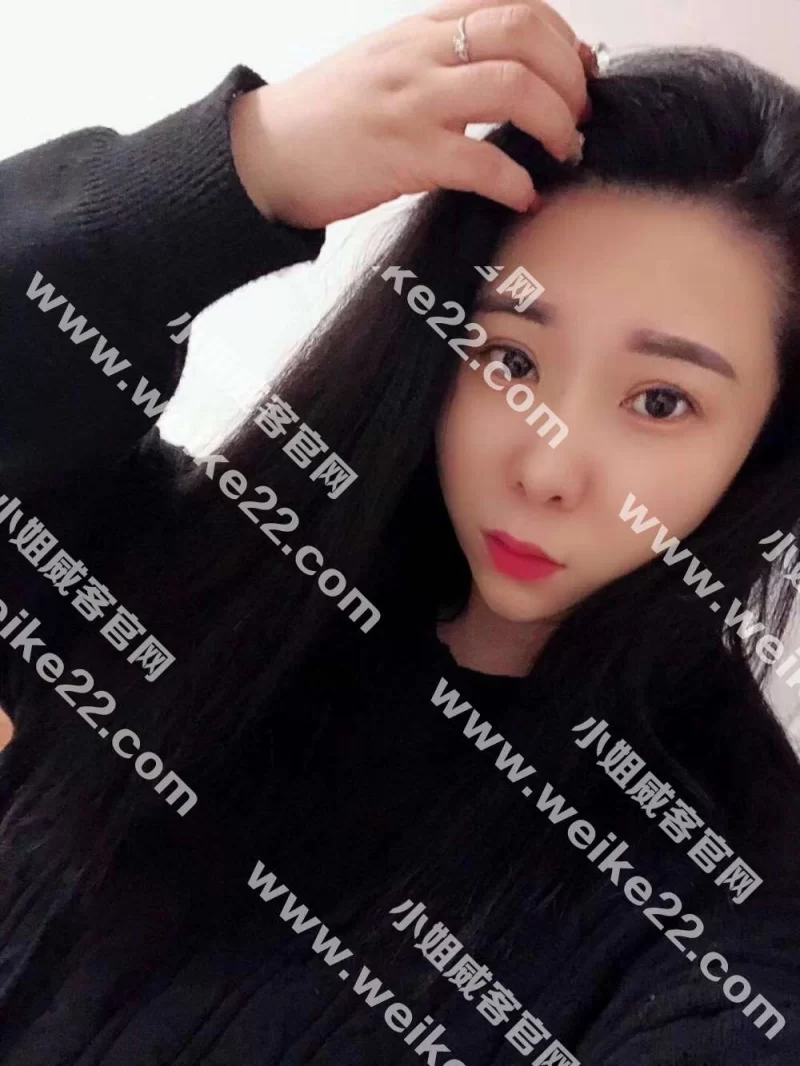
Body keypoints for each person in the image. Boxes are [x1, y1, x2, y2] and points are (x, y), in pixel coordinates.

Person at [0, 1, 799, 1062]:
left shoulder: (725, 912)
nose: (546, 466)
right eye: (510, 360)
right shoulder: (203, 584)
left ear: (763, 442)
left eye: (660, 401)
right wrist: (247, 164)